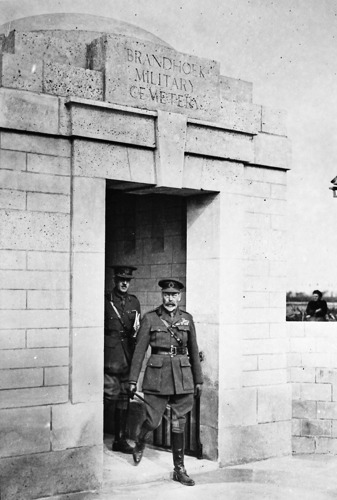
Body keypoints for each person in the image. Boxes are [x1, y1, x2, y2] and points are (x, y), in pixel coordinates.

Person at [128, 279, 203, 487]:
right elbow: (139, 351)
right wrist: (133, 379)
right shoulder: (150, 319)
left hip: (182, 377)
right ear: (162, 296)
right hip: (157, 377)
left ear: (179, 297)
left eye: (174, 295)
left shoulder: (187, 319)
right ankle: (142, 438)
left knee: (179, 423)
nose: (170, 299)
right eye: (166, 295)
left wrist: (198, 379)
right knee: (153, 421)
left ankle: (179, 469)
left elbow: (194, 351)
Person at [104, 265, 141, 453]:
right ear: (115, 280)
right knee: (107, 396)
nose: (125, 283)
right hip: (110, 357)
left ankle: (120, 439)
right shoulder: (106, 301)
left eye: (127, 280)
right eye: (121, 279)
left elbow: (136, 330)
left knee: (124, 398)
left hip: (127, 354)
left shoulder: (134, 302)